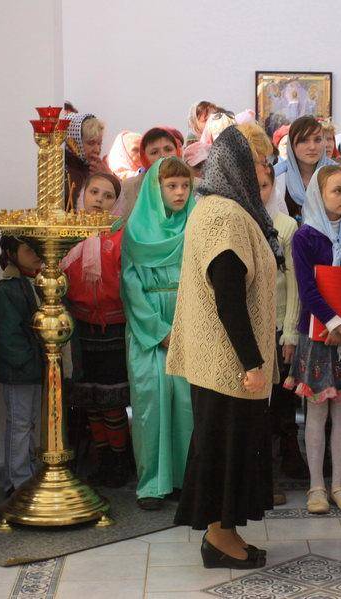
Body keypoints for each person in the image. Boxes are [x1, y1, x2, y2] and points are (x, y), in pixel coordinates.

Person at [168, 125, 279, 570]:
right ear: (238, 164)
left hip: (222, 360)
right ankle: (218, 537)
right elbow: (228, 296)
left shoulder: (220, 208)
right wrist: (252, 361)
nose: (264, 170)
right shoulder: (224, 216)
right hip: (227, 362)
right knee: (225, 449)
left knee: (229, 447)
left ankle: (225, 533)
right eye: (259, 160)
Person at [284, 165, 341, 515]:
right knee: (317, 411)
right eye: (337, 191)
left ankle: (339, 484)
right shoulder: (305, 237)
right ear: (318, 195)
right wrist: (335, 323)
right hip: (318, 332)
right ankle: (316, 486)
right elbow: (307, 289)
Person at [121, 156, 195, 510]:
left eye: (185, 186)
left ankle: (183, 479)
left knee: (185, 404)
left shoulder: (194, 226)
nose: (180, 193)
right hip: (148, 328)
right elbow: (131, 285)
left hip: (187, 321)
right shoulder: (136, 231)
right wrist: (159, 331)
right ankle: (151, 484)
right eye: (171, 186)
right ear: (155, 189)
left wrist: (186, 325)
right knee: (151, 403)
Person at [61, 172, 131, 488]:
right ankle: (102, 459)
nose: (99, 200)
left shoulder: (121, 236)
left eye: (108, 195)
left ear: (116, 202)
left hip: (113, 328)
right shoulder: (67, 233)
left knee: (111, 400)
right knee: (89, 399)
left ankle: (119, 460)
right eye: (94, 192)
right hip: (79, 329)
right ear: (83, 195)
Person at [252, 144, 309, 481]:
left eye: (264, 185)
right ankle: (262, 466)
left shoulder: (286, 226)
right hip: (250, 327)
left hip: (278, 325)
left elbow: (295, 285)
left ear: (273, 186)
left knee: (284, 398)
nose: (259, 191)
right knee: (256, 400)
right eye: (253, 185)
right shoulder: (239, 223)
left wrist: (290, 332)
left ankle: (289, 449)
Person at [0, 236, 43, 497]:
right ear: (11, 253)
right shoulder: (8, 288)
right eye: (29, 250)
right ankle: (18, 483)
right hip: (19, 369)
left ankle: (27, 477)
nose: (36, 254)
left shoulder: (33, 282)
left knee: (27, 424)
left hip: (31, 367)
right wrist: (27, 362)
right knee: (20, 424)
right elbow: (10, 336)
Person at [273, 116, 336, 221]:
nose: (312, 147)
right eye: (304, 140)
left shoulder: (336, 172)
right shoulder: (276, 175)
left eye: (317, 140)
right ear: (292, 145)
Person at [120, 127, 183, 218]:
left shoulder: (194, 185)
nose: (162, 156)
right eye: (154, 152)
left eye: (168, 149)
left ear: (177, 151)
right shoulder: (129, 187)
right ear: (144, 157)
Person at [65, 113, 110, 206]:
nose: (97, 150)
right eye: (91, 143)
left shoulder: (92, 169)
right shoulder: (63, 172)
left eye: (99, 144)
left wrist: (106, 177)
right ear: (74, 142)